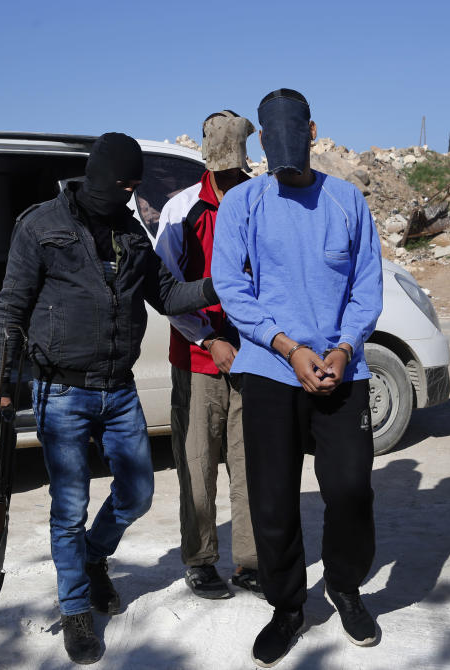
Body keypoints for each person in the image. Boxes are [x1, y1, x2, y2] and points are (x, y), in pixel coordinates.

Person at [0, 133, 218, 665]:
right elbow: (11, 306)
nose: (130, 195)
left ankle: (93, 557)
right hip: (60, 387)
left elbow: (169, 295)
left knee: (136, 494)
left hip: (118, 387)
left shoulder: (132, 232)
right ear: (99, 177)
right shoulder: (40, 225)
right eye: (124, 184)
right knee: (69, 508)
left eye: (135, 187)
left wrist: (216, 285)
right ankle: (76, 612)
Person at [212, 89, 383, 667]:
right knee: (273, 499)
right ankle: (287, 608)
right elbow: (232, 288)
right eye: (272, 140)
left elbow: (367, 286)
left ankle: (346, 588)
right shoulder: (244, 203)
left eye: (296, 136)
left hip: (342, 371)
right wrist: (286, 347)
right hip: (269, 369)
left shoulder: (347, 201)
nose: (285, 151)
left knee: (351, 490)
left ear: (313, 132)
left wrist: (342, 348)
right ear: (261, 140)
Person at [153, 110, 262, 600]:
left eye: (235, 167)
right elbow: (165, 291)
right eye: (220, 167)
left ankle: (251, 562)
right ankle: (199, 559)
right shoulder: (180, 210)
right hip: (199, 359)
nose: (227, 177)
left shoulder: (261, 201)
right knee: (197, 463)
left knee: (250, 464)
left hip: (257, 356)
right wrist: (208, 340)